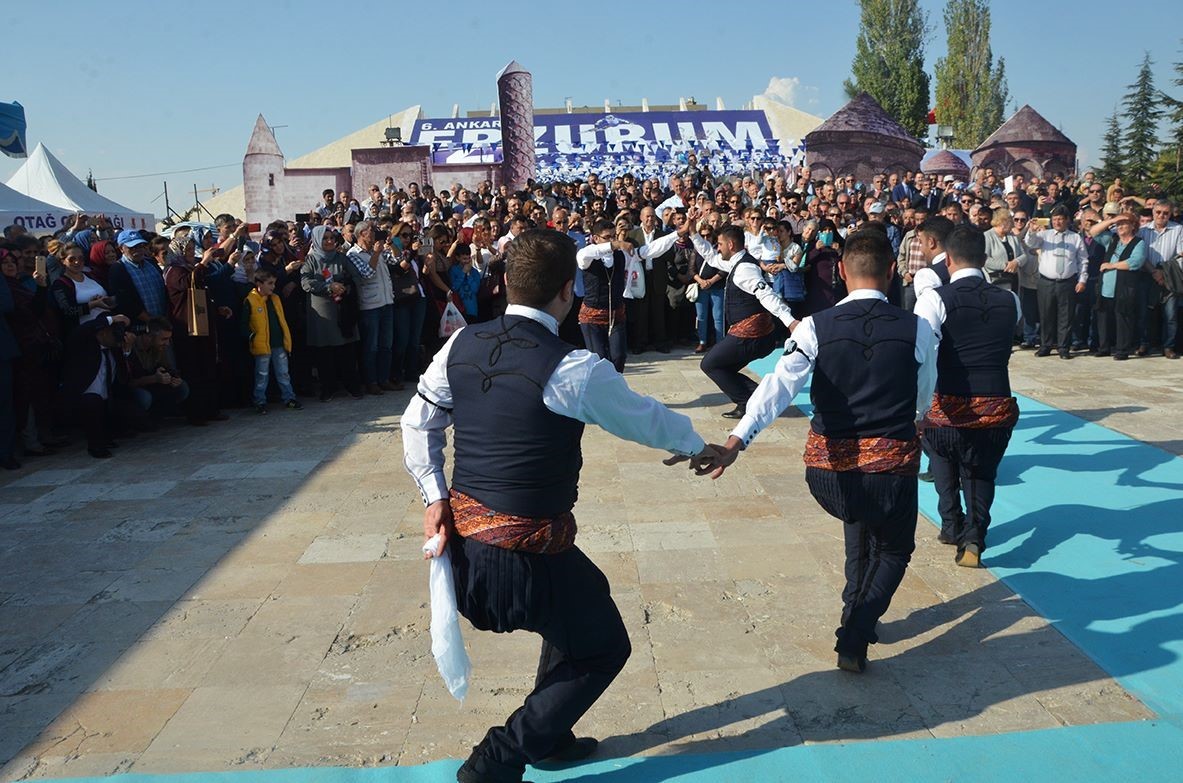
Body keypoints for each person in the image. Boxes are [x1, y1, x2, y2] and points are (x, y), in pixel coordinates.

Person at [401, 228, 715, 783]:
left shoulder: (460, 344)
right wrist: (697, 445)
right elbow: (643, 417)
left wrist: (434, 494)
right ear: (568, 291)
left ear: (503, 283)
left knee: (584, 597)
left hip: (467, 561)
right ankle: (499, 759)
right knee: (603, 648)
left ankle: (552, 736)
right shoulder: (572, 368)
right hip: (522, 565)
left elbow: (416, 421)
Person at [685, 229, 937, 673]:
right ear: (893, 271)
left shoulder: (816, 327)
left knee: (859, 528)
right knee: (894, 550)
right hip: (890, 471)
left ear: (841, 271)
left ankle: (852, 610)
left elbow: (778, 387)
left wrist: (735, 442)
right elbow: (923, 396)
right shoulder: (916, 327)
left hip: (829, 474)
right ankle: (856, 629)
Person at [914, 226, 1021, 568]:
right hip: (996, 404)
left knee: (942, 456)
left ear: (948, 259)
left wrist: (917, 405)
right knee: (980, 471)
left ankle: (950, 523)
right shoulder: (1011, 299)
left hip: (948, 403)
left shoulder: (935, 298)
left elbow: (921, 352)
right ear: (985, 257)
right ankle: (973, 535)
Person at [689, 224, 797, 419]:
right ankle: (758, 399)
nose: (717, 247)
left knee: (710, 364)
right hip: (749, 334)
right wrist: (693, 234)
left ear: (731, 244)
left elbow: (766, 294)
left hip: (752, 335)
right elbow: (712, 258)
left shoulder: (745, 269)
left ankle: (748, 401)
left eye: (720, 244)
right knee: (724, 367)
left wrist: (789, 321)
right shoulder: (736, 262)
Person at [300, 225, 361, 401]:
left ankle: (352, 386)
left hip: (343, 310)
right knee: (325, 353)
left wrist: (345, 286)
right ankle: (329, 388)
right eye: (325, 238)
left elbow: (356, 276)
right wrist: (328, 287)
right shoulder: (311, 260)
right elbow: (306, 283)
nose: (329, 241)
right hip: (323, 314)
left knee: (347, 350)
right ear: (317, 240)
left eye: (332, 238)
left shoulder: (342, 258)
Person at [1022, 205, 1088, 359]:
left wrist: (1082, 279)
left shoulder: (1075, 237)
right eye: (1055, 219)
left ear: (1067, 221)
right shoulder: (1045, 235)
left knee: (1066, 316)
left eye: (1060, 219)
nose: (1057, 222)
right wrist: (1031, 231)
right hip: (1046, 281)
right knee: (1046, 314)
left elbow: (1083, 260)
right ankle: (1045, 345)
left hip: (1067, 282)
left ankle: (1063, 347)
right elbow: (1031, 243)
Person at [243, 268, 302, 413]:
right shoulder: (250, 300)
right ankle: (259, 401)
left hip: (278, 343)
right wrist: (251, 337)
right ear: (259, 284)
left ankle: (289, 398)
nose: (272, 287)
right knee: (262, 375)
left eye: (274, 283)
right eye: (269, 283)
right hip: (262, 344)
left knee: (283, 372)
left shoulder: (275, 299)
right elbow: (244, 323)